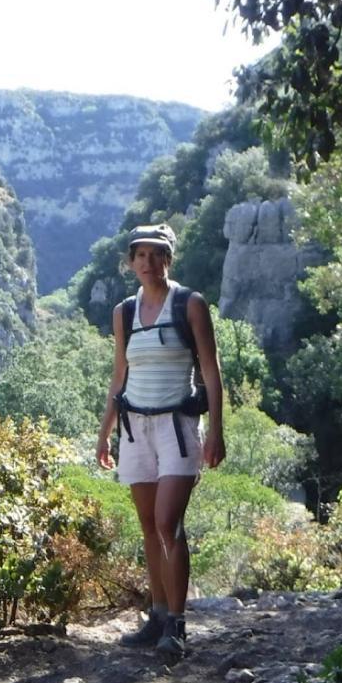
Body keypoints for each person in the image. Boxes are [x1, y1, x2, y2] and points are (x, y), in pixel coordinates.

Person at [95, 223, 226, 659]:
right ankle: (156, 616)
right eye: (140, 255)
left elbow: (210, 370)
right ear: (131, 262)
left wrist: (218, 432)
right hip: (136, 429)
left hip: (178, 429)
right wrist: (106, 430)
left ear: (169, 258)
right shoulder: (124, 312)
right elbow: (119, 375)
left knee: (169, 523)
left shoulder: (190, 304)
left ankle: (177, 623)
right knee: (149, 526)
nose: (148, 263)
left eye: (157, 254)